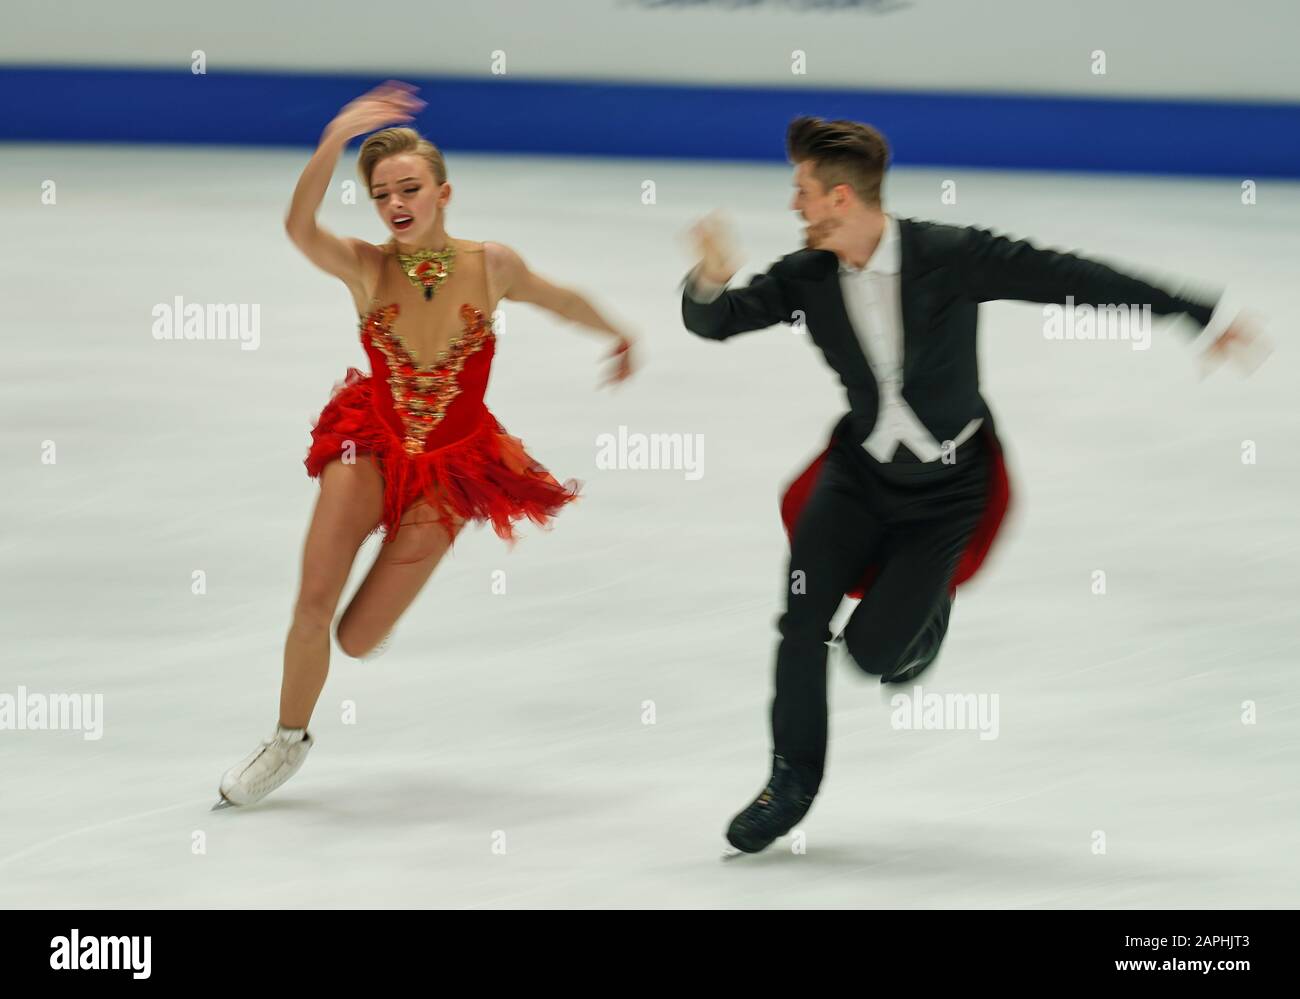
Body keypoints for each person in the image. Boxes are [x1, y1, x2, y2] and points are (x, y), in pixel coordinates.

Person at [682, 115, 1268, 854]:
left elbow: (1071, 277)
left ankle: (925, 618)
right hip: (856, 477)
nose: (793, 205)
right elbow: (718, 321)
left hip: (946, 493)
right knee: (801, 624)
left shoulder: (950, 257)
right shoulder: (806, 276)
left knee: (874, 655)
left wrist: (1196, 313)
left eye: (802, 191)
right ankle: (789, 784)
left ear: (840, 197)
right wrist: (710, 278)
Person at [216, 81, 636, 808]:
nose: (395, 203)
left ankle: (382, 601)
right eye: (381, 194)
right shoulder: (366, 266)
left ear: (444, 193)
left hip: (453, 467)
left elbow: (561, 298)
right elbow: (298, 227)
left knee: (355, 638)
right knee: (313, 601)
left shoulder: (492, 264)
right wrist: (332, 139)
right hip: (369, 447)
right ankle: (286, 738)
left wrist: (616, 334)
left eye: (409, 189)